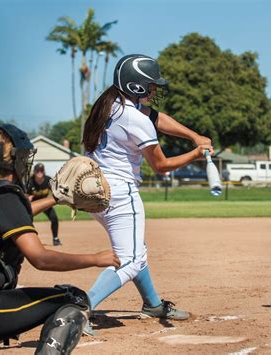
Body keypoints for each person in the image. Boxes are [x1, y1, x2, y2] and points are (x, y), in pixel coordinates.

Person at [0, 124, 120, 355]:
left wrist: (55, 199)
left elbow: (18, 212)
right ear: (12, 161)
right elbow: (40, 259)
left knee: (1, 308)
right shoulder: (5, 195)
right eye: (23, 156)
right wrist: (95, 258)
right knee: (75, 298)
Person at [81, 54, 213, 335]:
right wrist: (196, 153)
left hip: (95, 193)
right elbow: (162, 166)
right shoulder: (133, 118)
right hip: (119, 193)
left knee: (134, 250)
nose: (154, 90)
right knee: (130, 260)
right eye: (150, 85)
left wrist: (193, 135)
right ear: (136, 87)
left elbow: (158, 118)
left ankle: (152, 304)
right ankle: (81, 308)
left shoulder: (109, 105)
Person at [28, 163, 62, 246]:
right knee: (27, 221)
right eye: (37, 171)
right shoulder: (30, 182)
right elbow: (25, 195)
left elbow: (55, 190)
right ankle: (29, 241)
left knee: (54, 218)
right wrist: (28, 197)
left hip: (44, 203)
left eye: (41, 171)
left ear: (44, 172)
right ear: (34, 172)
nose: (39, 172)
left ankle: (55, 239)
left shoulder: (48, 180)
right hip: (33, 204)